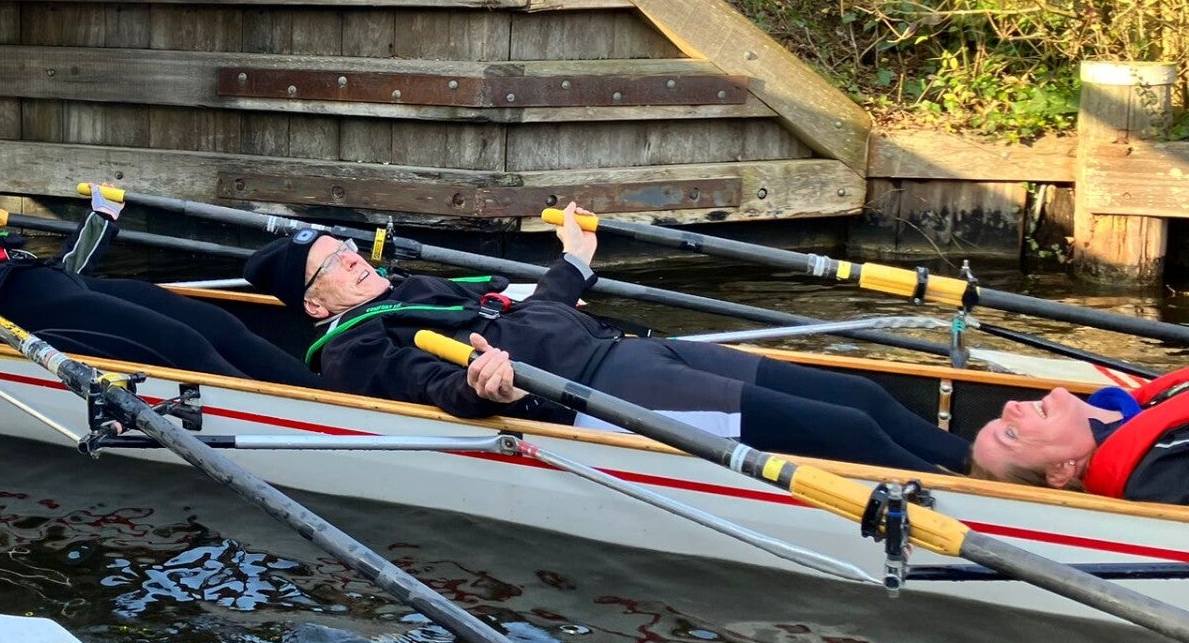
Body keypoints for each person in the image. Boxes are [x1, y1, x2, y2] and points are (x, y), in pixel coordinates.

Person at [242, 207, 978, 476]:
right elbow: (428, 388)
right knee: (844, 429)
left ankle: (977, 461)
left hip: (637, 350)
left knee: (859, 392)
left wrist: (574, 261)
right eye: (334, 265)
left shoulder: (412, 288)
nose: (354, 261)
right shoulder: (353, 349)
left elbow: (529, 314)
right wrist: (475, 386)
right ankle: (984, 506)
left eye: (348, 249)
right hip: (604, 397)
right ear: (315, 303)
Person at [0, 189, 320, 387]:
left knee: (220, 325)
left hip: (72, 289)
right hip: (47, 322)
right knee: (186, 346)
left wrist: (100, 218)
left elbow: (60, 269)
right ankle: (302, 420)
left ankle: (323, 392)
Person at [967, 371, 1189, 503]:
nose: (1009, 406)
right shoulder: (1159, 474)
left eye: (999, 418)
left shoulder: (1145, 408)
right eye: (1011, 434)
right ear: (1060, 470)